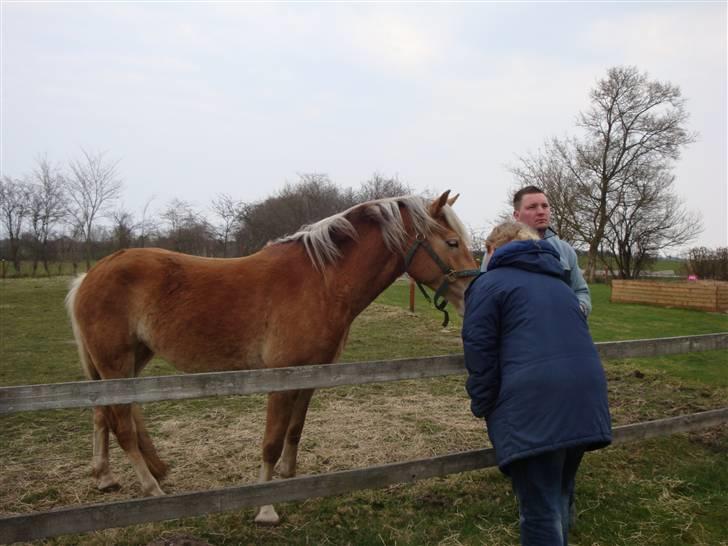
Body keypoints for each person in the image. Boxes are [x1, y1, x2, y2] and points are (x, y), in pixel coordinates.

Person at [463, 221, 611, 546]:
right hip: (585, 400)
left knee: (539, 511)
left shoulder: (489, 284)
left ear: (491, 249)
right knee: (558, 492)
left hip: (535, 405)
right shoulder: (559, 284)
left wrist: (482, 402)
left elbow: (479, 350)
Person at [482, 185, 591, 317]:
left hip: (561, 331)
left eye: (545, 206)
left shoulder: (565, 250)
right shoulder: (498, 248)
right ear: (517, 215)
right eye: (532, 207)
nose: (541, 211)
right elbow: (484, 294)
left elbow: (581, 291)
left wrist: (578, 311)